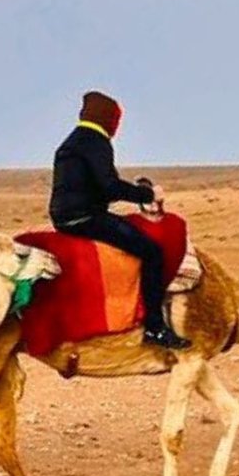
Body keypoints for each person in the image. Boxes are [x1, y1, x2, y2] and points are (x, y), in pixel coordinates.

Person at [50, 91, 191, 351]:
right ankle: (155, 328)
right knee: (152, 252)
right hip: (85, 218)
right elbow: (109, 187)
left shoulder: (74, 140)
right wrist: (147, 194)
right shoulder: (96, 142)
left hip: (65, 217)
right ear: (108, 118)